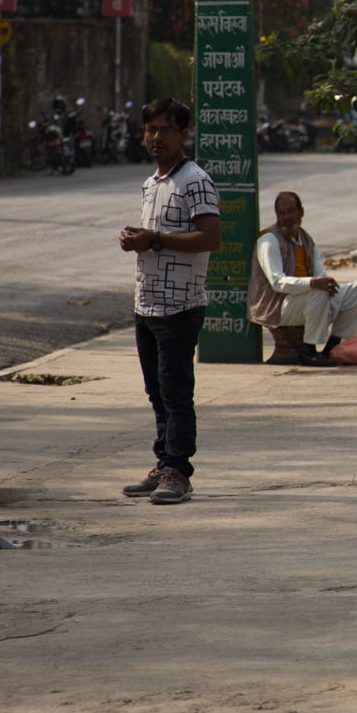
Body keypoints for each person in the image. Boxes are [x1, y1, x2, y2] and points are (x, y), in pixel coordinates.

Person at [118, 97, 221, 504]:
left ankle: (178, 470)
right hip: (147, 304)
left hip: (180, 307)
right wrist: (136, 240)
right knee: (157, 392)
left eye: (166, 129)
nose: (157, 137)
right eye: (151, 129)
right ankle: (163, 463)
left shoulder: (194, 179)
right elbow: (154, 237)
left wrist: (156, 240)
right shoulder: (153, 182)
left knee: (176, 392)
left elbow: (210, 238)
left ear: (184, 134)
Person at [248, 190, 357, 366]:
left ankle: (332, 348)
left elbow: (320, 274)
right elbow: (277, 282)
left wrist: (323, 283)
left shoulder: (307, 240)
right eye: (282, 213)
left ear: (301, 212)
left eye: (291, 211)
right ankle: (308, 351)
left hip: (306, 302)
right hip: (277, 305)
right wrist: (313, 283)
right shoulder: (269, 240)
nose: (287, 217)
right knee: (317, 290)